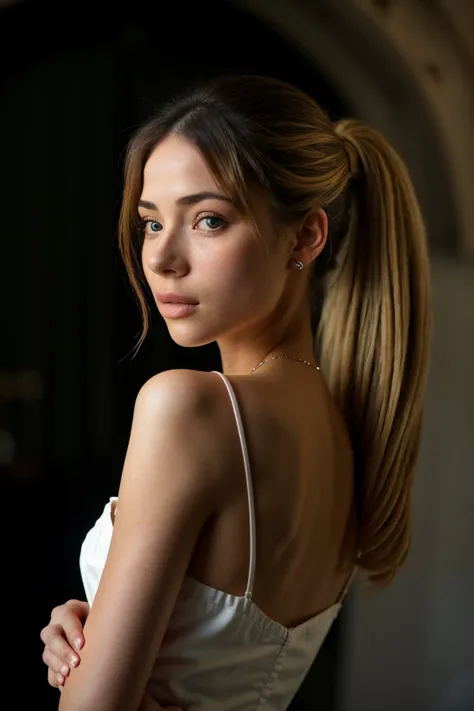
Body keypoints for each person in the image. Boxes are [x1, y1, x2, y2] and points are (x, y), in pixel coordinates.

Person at [40, 74, 431, 710]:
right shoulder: (347, 438)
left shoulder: (187, 407)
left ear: (306, 236)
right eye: (149, 223)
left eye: (208, 219)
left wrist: (93, 680)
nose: (163, 258)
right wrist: (98, 634)